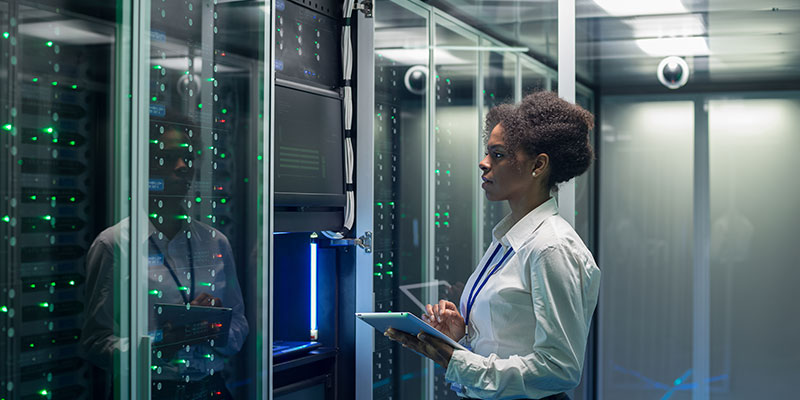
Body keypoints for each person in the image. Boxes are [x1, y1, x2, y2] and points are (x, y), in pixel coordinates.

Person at [386, 91, 601, 399]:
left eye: (497, 155)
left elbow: (560, 369)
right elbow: (507, 343)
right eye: (487, 153)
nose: (483, 163)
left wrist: (456, 360)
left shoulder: (551, 247)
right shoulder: (509, 239)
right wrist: (460, 339)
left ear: (538, 165)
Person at [81, 117, 248, 399]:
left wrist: (216, 328)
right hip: (147, 391)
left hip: (210, 388)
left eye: (188, 157)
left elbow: (240, 323)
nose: (183, 167)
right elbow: (95, 343)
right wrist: (161, 343)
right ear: (144, 166)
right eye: (169, 157)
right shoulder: (114, 244)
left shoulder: (216, 241)